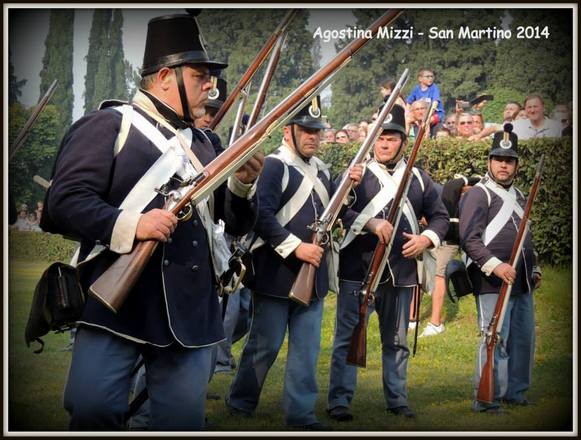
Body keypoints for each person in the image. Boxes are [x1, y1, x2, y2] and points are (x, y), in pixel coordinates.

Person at [45, 13, 263, 430]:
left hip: (190, 309)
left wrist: (242, 185)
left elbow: (230, 224)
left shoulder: (206, 142)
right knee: (94, 413)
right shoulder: (109, 125)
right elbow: (62, 203)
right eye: (201, 77)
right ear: (166, 76)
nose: (210, 87)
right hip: (118, 304)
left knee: (181, 422)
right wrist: (132, 225)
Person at [225, 96, 362, 431]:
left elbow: (332, 214)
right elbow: (261, 216)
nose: (313, 136)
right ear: (289, 131)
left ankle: (300, 415)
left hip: (311, 276)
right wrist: (296, 247)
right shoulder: (274, 165)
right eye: (306, 129)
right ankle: (240, 402)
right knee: (265, 345)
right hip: (276, 274)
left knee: (306, 350)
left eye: (317, 130)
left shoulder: (324, 170)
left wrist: (348, 189)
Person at [327, 105, 449, 422]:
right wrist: (369, 224)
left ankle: (397, 399)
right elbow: (336, 211)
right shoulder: (356, 174)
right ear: (372, 140)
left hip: (401, 272)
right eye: (380, 138)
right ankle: (339, 400)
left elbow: (440, 217)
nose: (384, 144)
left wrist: (427, 239)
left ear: (402, 143)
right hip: (358, 268)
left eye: (391, 138)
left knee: (396, 341)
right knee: (347, 338)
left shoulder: (419, 178)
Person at [459, 126, 541, 413]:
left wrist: (537, 266)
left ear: (516, 165)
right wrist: (496, 266)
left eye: (509, 160)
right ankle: (487, 397)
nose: (503, 164)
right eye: (498, 159)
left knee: (522, 339)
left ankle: (515, 392)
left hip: (522, 280)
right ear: (489, 162)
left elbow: (526, 237)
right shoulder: (478, 194)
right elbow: (469, 239)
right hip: (492, 280)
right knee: (494, 338)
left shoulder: (519, 195)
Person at [419, 174, 480, 337]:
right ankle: (412, 320)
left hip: (448, 240)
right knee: (418, 275)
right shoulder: (438, 190)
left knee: (439, 276)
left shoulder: (447, 189)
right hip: (433, 238)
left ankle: (436, 323)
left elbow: (437, 218)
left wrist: (465, 181)